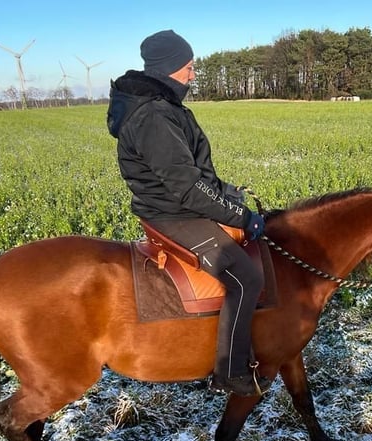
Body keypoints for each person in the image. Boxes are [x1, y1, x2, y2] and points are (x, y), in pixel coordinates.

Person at [106, 30, 271, 397]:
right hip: (173, 213)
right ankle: (229, 371)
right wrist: (243, 218)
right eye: (189, 68)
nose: (193, 76)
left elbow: (195, 175)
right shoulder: (154, 116)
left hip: (174, 204)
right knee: (245, 277)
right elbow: (187, 187)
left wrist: (230, 195)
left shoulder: (161, 106)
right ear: (168, 69)